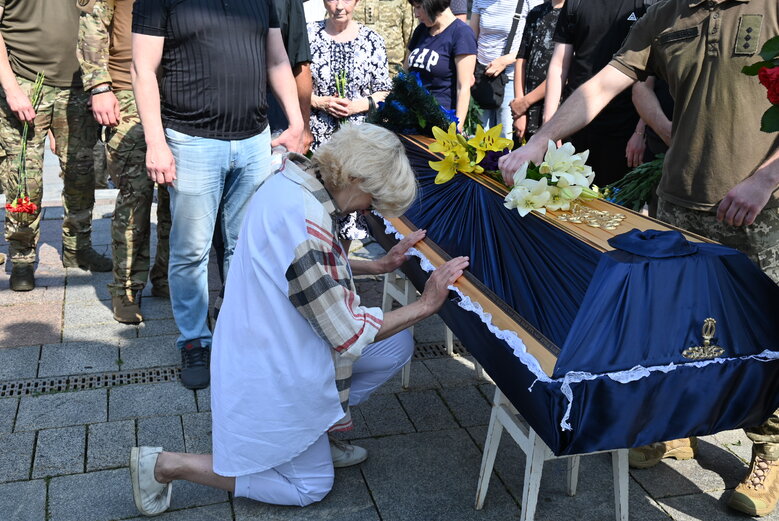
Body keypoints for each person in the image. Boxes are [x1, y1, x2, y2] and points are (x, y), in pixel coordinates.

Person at [499, 0, 779, 516]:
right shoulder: (666, 15)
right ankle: (676, 425)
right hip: (679, 202)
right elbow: (603, 85)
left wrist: (767, 177)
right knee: (678, 328)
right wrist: (541, 140)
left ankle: (770, 453)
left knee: (764, 333)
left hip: (762, 208)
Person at [128, 124, 470, 516]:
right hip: (270, 368)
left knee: (397, 343)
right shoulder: (306, 225)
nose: (368, 208)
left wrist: (377, 264)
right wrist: (426, 305)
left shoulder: (292, 179)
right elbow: (349, 334)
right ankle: (167, 465)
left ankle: (317, 433)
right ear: (356, 178)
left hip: (261, 343)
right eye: (372, 198)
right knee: (310, 486)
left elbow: (313, 269)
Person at [132, 0, 305, 390]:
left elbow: (276, 60)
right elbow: (143, 69)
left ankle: (239, 328)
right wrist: (155, 142)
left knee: (245, 247)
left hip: (254, 141)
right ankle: (195, 339)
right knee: (191, 250)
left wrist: (296, 121)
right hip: (191, 142)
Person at [0, 0, 110, 292]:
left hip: (78, 87)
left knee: (81, 171)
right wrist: (11, 89)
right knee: (24, 177)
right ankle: (22, 258)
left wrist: (99, 84)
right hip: (25, 84)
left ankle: (77, 248)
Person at [78, 0, 172, 324]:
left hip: (179, 92)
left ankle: (167, 276)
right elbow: (92, 25)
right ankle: (126, 289)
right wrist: (99, 86)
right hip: (127, 90)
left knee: (181, 196)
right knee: (137, 193)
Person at [543, 0, 648, 186]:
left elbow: (649, 72)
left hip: (623, 131)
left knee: (614, 209)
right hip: (574, 123)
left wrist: (641, 132)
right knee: (565, 202)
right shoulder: (575, 3)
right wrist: (549, 126)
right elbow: (559, 64)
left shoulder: (646, 4)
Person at [308, 0, 393, 151]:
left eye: (346, 0)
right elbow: (290, 84)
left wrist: (354, 107)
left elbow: (384, 91)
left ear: (357, 2)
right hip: (314, 139)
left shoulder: (372, 40)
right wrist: (319, 102)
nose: (339, 7)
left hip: (361, 142)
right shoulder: (308, 35)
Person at [471, 0, 543, 139]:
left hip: (510, 77)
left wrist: (506, 60)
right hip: (482, 76)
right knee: (479, 136)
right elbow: (472, 38)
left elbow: (534, 42)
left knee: (505, 137)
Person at [406, 0, 476, 132]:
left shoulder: (461, 33)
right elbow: (404, 74)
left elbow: (463, 87)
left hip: (441, 123)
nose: (416, 14)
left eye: (419, 7)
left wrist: (456, 130)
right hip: (410, 120)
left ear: (432, 4)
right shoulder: (421, 30)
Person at [509, 0, 563, 143]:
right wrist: (519, 108)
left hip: (556, 109)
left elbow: (565, 72)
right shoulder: (536, 12)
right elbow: (521, 58)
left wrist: (526, 102)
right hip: (525, 110)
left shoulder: (575, 15)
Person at [353, 0, 417, 76]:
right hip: (357, 71)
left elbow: (412, 39)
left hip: (392, 72)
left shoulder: (403, 2)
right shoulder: (348, 3)